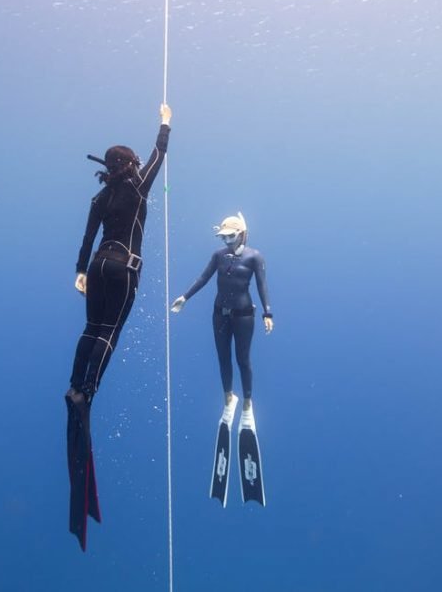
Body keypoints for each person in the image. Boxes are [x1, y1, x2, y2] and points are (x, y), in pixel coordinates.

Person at [66, 103, 172, 551]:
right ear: (129, 164)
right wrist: (165, 121)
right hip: (125, 268)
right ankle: (89, 391)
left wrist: (79, 271)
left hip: (97, 264)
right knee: (111, 331)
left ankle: (74, 384)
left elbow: (88, 236)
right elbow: (159, 154)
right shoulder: (137, 186)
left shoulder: (100, 197)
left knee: (91, 329)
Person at [170, 212, 273, 412]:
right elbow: (203, 278)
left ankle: (247, 401)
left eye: (230, 236)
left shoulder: (254, 256)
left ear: (242, 234)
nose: (227, 241)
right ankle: (228, 397)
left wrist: (267, 313)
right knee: (222, 356)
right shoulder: (218, 255)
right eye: (223, 237)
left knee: (242, 359)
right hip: (219, 315)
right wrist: (185, 297)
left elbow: (262, 285)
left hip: (244, 316)